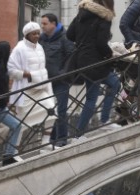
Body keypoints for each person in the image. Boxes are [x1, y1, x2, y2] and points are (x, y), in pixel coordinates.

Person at [68, 0, 121, 137]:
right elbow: (101, 43)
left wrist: (83, 40)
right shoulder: (104, 17)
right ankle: (87, 130)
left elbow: (69, 34)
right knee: (102, 91)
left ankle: (98, 123)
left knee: (111, 84)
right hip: (94, 62)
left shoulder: (81, 14)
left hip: (81, 60)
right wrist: (110, 54)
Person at [8, 21, 57, 142]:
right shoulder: (19, 49)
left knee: (52, 112)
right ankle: (12, 151)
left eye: (38, 33)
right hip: (26, 91)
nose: (36, 36)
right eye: (33, 34)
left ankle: (45, 144)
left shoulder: (40, 47)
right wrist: (28, 75)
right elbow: (11, 70)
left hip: (41, 89)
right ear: (27, 35)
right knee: (21, 122)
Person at [40, 13, 75, 147]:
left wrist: (63, 73)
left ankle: (62, 138)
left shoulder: (64, 38)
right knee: (49, 110)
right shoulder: (42, 39)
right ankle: (51, 138)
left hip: (61, 81)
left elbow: (71, 56)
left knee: (61, 109)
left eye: (45, 23)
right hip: (46, 81)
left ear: (53, 24)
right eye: (42, 23)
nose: (42, 26)